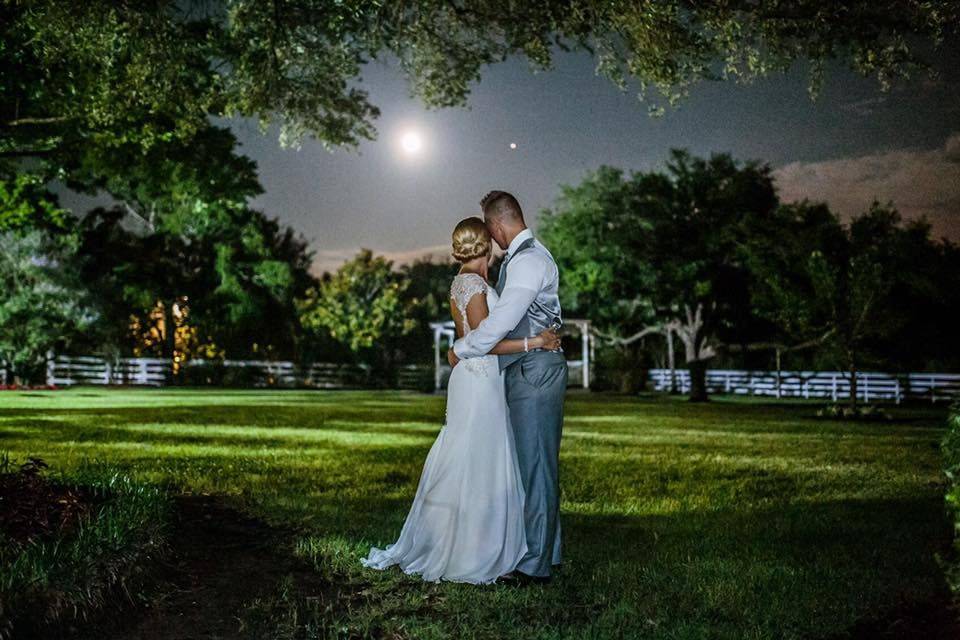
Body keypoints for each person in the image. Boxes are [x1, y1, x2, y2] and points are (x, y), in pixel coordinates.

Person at [361, 216, 560, 584]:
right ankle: (474, 549)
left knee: (469, 454)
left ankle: (462, 539)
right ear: (485, 246)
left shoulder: (461, 283)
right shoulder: (475, 285)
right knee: (479, 457)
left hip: (470, 378)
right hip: (480, 378)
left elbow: (469, 341)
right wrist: (537, 342)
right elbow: (487, 342)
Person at [449, 191, 568, 584]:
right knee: (531, 466)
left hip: (535, 369)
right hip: (523, 367)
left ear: (498, 225)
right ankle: (545, 552)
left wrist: (462, 348)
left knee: (535, 466)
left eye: (491, 229)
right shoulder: (520, 260)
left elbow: (501, 323)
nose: (491, 239)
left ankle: (535, 566)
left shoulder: (529, 260)